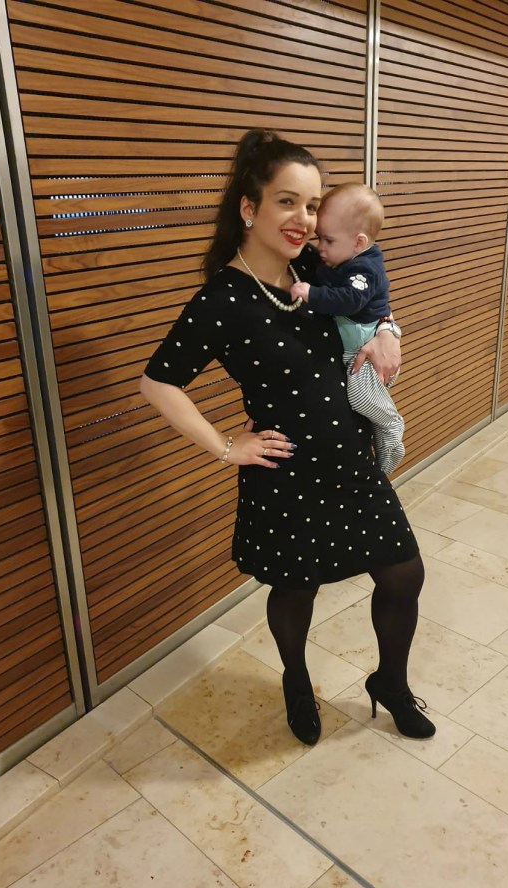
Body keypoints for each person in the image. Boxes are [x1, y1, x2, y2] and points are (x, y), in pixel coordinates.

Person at [139, 129, 435, 745]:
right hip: (287, 468)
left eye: (311, 204)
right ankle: (296, 679)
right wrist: (227, 447)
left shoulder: (313, 268)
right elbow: (159, 382)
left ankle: (391, 681)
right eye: (287, 201)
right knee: (295, 587)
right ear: (249, 208)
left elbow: (371, 293)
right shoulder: (222, 298)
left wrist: (390, 330)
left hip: (351, 456)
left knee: (404, 574)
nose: (304, 219)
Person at [289, 182, 405, 474]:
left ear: (358, 242)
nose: (320, 248)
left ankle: (391, 425)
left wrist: (310, 294)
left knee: (362, 398)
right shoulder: (344, 257)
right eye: (319, 239)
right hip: (358, 347)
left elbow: (350, 300)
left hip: (362, 351)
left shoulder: (364, 269)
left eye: (328, 241)